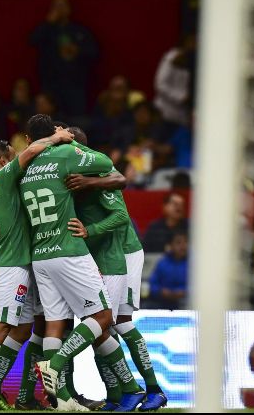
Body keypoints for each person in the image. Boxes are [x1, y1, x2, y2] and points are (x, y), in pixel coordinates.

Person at [19, 114, 139, 412]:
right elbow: (106, 164)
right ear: (55, 134)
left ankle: (59, 399)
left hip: (40, 256)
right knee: (101, 318)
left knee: (54, 325)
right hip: (69, 250)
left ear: (28, 139)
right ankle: (54, 366)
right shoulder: (65, 154)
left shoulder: (24, 167)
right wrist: (69, 141)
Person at [0, 130, 74, 410]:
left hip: (17, 265)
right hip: (11, 267)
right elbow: (29, 153)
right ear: (3, 162)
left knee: (23, 329)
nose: (18, 165)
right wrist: (57, 137)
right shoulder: (2, 177)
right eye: (12, 160)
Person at [65, 127, 167, 411]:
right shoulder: (73, 178)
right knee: (103, 324)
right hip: (102, 254)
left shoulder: (98, 175)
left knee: (114, 323)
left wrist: (90, 229)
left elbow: (121, 216)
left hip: (124, 252)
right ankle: (117, 395)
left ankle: (151, 390)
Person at [30, 0, 99, 119]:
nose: (60, 10)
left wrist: (78, 50)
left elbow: (93, 52)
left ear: (69, 10)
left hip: (75, 85)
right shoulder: (47, 30)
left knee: (75, 122)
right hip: (52, 85)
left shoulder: (79, 31)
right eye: (57, 6)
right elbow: (33, 41)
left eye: (63, 6)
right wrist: (48, 22)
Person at [153, 34, 195, 128]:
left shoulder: (195, 58)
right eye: (194, 40)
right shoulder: (172, 57)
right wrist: (182, 97)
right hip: (166, 112)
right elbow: (160, 84)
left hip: (184, 115)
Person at [147, 231, 190, 310]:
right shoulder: (163, 262)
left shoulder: (194, 264)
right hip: (163, 302)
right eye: (178, 242)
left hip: (187, 303)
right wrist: (160, 291)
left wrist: (184, 291)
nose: (183, 246)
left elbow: (200, 286)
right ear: (170, 245)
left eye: (186, 242)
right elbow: (152, 284)